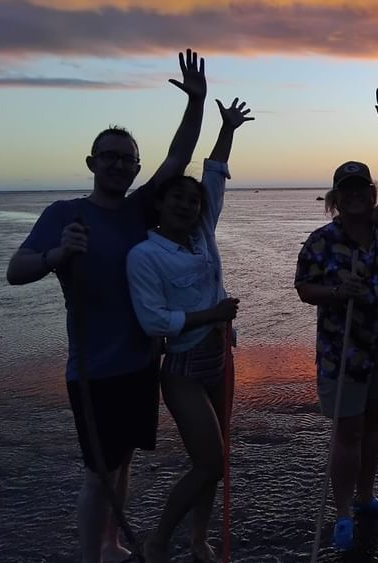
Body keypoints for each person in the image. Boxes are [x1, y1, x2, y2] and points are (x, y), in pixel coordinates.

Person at [5, 49, 207, 563]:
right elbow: (16, 270)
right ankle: (89, 557)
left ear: (136, 167)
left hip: (142, 363)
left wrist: (197, 103)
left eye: (127, 157)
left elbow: (179, 158)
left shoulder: (143, 208)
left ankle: (112, 543)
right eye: (109, 156)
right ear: (92, 163)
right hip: (94, 372)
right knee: (98, 473)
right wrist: (56, 254)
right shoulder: (65, 213)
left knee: (121, 463)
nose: (119, 164)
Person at [125, 98, 253, 563]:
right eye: (177, 198)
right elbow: (154, 321)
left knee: (215, 464)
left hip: (221, 356)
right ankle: (158, 542)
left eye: (192, 200)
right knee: (210, 460)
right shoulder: (144, 256)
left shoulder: (202, 233)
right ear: (159, 203)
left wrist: (227, 127)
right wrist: (211, 316)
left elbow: (215, 173)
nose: (187, 205)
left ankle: (199, 541)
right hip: (181, 364)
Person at [295, 84, 378, 551]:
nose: (355, 197)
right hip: (342, 347)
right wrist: (334, 291)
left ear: (371, 192)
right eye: (345, 191)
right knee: (347, 430)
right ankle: (343, 512)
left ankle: (366, 498)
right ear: (335, 198)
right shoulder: (321, 241)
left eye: (361, 189)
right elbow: (304, 288)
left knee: (373, 425)